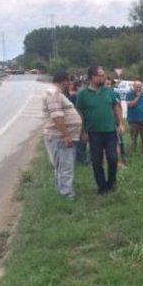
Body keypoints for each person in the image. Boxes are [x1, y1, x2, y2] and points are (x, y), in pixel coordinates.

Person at [76, 66, 123, 194]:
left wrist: (121, 124)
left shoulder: (109, 92)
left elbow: (116, 107)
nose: (103, 77)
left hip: (110, 132)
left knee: (113, 158)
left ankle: (111, 183)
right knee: (96, 161)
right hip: (93, 133)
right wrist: (83, 131)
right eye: (100, 75)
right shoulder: (83, 94)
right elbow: (79, 112)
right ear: (92, 77)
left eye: (103, 75)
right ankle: (102, 187)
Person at [42, 70, 82, 200]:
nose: (69, 85)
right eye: (68, 82)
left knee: (61, 167)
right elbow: (57, 117)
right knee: (66, 167)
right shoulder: (53, 94)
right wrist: (66, 135)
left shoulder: (57, 94)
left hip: (59, 137)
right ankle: (67, 195)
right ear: (64, 81)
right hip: (59, 137)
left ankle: (61, 191)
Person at [125, 81, 143, 152]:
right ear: (133, 87)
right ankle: (133, 152)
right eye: (137, 87)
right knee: (133, 138)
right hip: (133, 120)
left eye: (140, 87)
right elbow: (130, 105)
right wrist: (138, 97)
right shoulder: (129, 94)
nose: (138, 88)